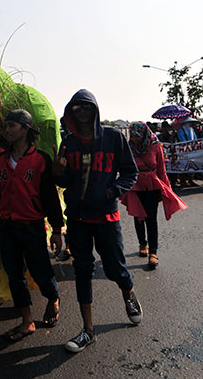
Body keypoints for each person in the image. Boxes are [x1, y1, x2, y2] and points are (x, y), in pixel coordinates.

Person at [52, 89, 141, 353]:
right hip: (78, 217)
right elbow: (64, 181)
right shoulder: (68, 142)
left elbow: (130, 172)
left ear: (95, 109)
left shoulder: (113, 137)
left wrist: (112, 190)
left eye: (86, 107)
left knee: (114, 268)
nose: (81, 112)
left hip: (106, 216)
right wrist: (58, 172)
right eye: (76, 108)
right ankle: (88, 330)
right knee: (82, 270)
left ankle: (129, 294)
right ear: (70, 112)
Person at [0, 109, 64, 341]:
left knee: (40, 271)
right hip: (7, 227)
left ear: (25, 129)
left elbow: (50, 197)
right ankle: (27, 320)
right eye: (6, 126)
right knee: (14, 275)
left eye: (12, 125)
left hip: (32, 226)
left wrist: (57, 230)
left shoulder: (40, 159)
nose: (7, 130)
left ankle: (53, 297)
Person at [121, 122, 187, 270]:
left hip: (152, 186)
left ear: (144, 134)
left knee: (151, 219)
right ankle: (142, 244)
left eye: (137, 136)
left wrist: (166, 189)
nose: (135, 139)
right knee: (138, 217)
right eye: (132, 136)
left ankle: (153, 252)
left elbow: (161, 170)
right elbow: (124, 168)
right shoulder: (128, 147)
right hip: (134, 186)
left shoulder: (156, 146)